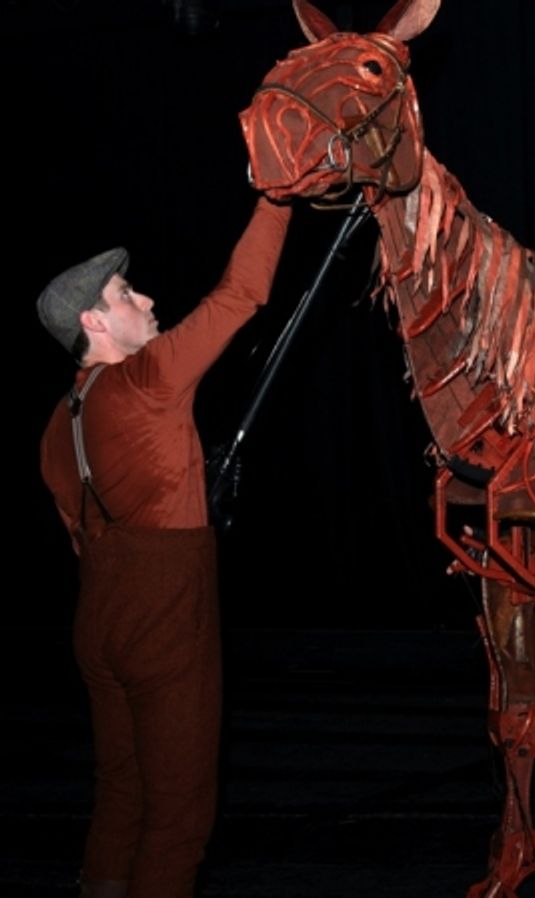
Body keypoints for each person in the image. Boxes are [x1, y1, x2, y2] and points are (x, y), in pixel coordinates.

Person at [38, 195, 292, 898]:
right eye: (125, 294)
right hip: (162, 619)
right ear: (94, 321)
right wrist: (278, 198)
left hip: (98, 622)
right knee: (179, 819)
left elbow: (80, 539)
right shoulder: (147, 381)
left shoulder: (59, 425)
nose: (146, 299)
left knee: (121, 792)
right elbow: (242, 292)